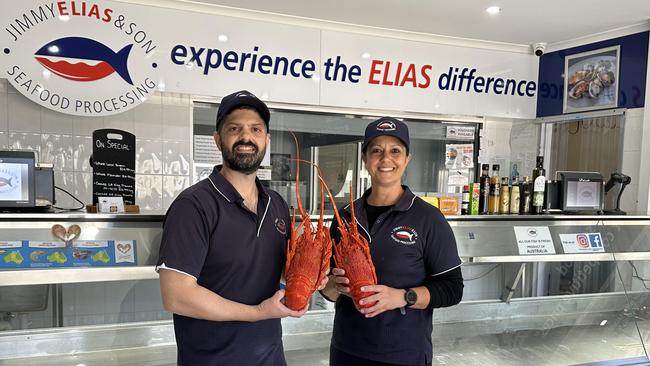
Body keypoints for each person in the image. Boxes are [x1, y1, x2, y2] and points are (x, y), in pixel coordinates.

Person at [157, 90, 316, 365]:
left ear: (266, 140)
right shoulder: (194, 205)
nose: (246, 137)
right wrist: (257, 312)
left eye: (255, 129)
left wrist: (313, 275)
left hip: (271, 357)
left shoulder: (276, 204)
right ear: (218, 140)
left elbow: (282, 271)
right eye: (235, 129)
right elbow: (177, 296)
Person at [321, 117, 464, 366]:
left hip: (404, 354)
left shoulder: (428, 218)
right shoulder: (344, 216)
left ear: (407, 159)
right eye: (376, 150)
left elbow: (453, 288)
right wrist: (335, 287)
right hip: (347, 350)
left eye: (395, 151)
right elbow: (329, 290)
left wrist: (402, 297)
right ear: (366, 159)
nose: (386, 159)